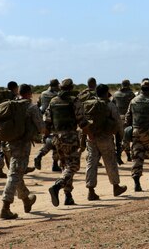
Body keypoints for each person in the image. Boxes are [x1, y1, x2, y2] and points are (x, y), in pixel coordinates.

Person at [0, 84, 45, 219]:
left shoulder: (11, 105)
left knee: (16, 171)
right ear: (29, 93)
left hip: (7, 144)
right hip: (21, 145)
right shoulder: (31, 107)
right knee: (14, 174)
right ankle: (5, 207)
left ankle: (26, 199)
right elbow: (41, 127)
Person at [44, 78, 90, 206]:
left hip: (57, 138)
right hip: (70, 137)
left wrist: (47, 138)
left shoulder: (53, 101)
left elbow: (47, 121)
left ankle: (68, 196)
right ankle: (57, 186)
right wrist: (88, 135)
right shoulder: (74, 101)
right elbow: (82, 121)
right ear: (71, 88)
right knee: (73, 166)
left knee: (65, 166)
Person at [85, 84, 127, 201]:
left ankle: (91, 190)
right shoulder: (110, 105)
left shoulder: (89, 104)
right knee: (110, 162)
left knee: (91, 163)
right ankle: (116, 187)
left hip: (91, 137)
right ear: (106, 93)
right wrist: (122, 136)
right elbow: (118, 122)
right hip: (105, 138)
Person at [34, 79, 62, 172]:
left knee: (50, 140)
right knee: (56, 141)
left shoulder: (42, 94)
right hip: (54, 120)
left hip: (44, 120)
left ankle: (50, 161)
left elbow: (38, 105)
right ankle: (51, 162)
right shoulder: (56, 95)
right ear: (56, 85)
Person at [112, 79, 136, 162]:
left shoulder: (116, 94)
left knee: (118, 138)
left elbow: (112, 105)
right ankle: (128, 155)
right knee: (127, 137)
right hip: (127, 118)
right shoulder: (131, 94)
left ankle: (119, 156)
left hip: (117, 118)